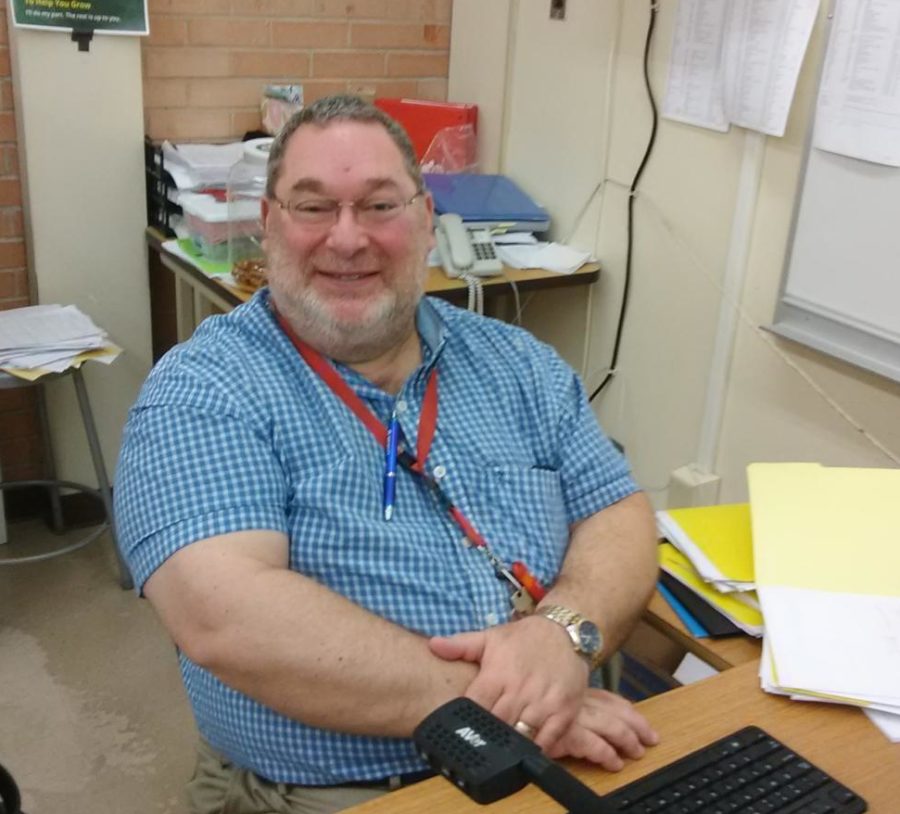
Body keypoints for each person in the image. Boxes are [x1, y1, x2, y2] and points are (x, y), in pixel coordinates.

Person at [114, 94, 660, 814]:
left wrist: (563, 634)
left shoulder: (517, 362)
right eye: (313, 207)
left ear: (427, 220)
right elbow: (226, 617)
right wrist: (509, 704)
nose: (348, 239)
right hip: (340, 793)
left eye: (379, 206)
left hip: (562, 745)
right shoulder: (203, 391)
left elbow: (619, 512)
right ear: (269, 225)